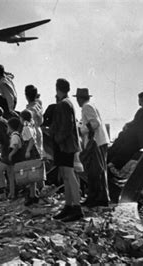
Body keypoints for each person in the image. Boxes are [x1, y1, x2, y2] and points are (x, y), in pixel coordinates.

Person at [51, 79, 83, 222]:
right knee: (66, 174)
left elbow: (67, 125)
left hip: (65, 145)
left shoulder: (64, 104)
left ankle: (76, 207)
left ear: (58, 89)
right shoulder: (68, 103)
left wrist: (57, 139)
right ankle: (69, 205)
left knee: (69, 174)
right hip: (66, 144)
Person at [74, 88, 110, 207]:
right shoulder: (91, 105)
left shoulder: (86, 107)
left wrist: (81, 130)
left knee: (94, 171)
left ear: (80, 99)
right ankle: (102, 198)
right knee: (100, 171)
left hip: (95, 142)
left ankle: (94, 198)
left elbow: (95, 123)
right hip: (100, 141)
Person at [19, 110, 42, 205]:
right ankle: (33, 194)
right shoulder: (32, 126)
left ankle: (32, 195)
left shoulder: (26, 127)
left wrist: (27, 151)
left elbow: (31, 140)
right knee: (32, 173)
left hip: (30, 150)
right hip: (34, 150)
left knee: (30, 173)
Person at [7, 117, 25, 200]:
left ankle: (12, 193)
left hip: (15, 158)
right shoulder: (18, 135)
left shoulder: (14, 136)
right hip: (18, 157)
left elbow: (16, 147)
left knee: (12, 176)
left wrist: (10, 155)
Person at [25, 85, 44, 157]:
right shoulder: (38, 105)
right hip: (39, 131)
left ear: (26, 96)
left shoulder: (30, 110)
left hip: (32, 136)